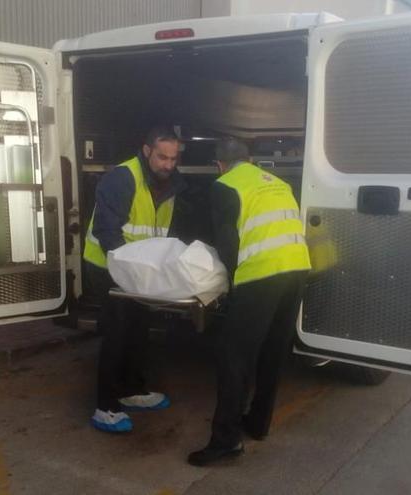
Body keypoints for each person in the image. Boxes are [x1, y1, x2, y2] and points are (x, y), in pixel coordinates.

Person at [188, 138, 311, 466]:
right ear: (251, 160)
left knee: (234, 357)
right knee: (272, 352)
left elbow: (229, 244)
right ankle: (258, 424)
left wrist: (228, 287)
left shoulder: (225, 185)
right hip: (297, 269)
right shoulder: (278, 183)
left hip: (261, 275)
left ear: (219, 165)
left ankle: (225, 441)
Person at [83, 126, 185, 433]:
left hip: (140, 270)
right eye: (162, 157)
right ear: (146, 151)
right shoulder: (122, 178)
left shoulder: (170, 183)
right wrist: (130, 269)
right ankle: (106, 406)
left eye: (173, 158)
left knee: (139, 328)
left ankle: (133, 391)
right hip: (109, 266)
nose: (168, 164)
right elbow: (106, 232)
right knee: (117, 333)